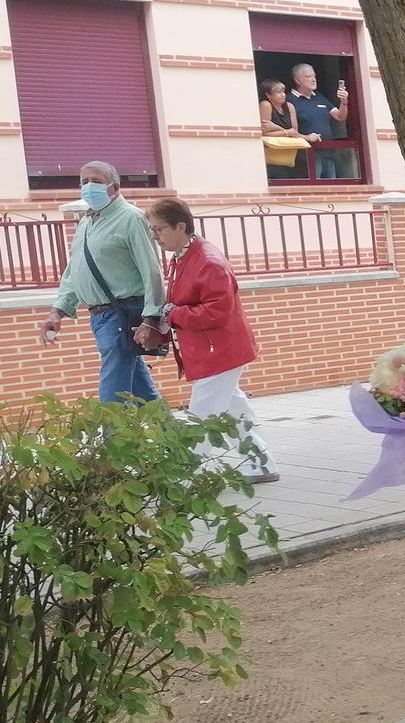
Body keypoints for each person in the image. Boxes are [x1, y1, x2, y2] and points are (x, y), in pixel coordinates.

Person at [145, 198, 278, 482]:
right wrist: (172, 316)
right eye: (152, 230)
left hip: (219, 351)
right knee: (235, 409)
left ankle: (181, 474)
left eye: (158, 230)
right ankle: (261, 464)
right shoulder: (184, 255)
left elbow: (218, 311)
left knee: (202, 414)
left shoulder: (207, 261)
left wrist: (175, 314)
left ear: (180, 226)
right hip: (213, 349)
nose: (155, 236)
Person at [37, 160, 167, 403]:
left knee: (113, 393)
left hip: (123, 313)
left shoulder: (132, 218)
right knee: (141, 392)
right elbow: (74, 271)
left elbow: (152, 271)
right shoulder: (86, 222)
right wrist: (57, 312)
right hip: (100, 317)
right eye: (84, 182)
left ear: (114, 188)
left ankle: (111, 440)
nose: (88, 187)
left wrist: (151, 319)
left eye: (96, 181)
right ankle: (173, 439)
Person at [288, 63, 355, 180]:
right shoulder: (289, 100)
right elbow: (288, 131)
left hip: (328, 152)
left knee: (331, 187)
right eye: (308, 76)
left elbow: (340, 116)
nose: (313, 79)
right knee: (313, 189)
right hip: (307, 155)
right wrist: (306, 137)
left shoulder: (319, 97)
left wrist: (344, 102)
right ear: (298, 80)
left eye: (314, 76)